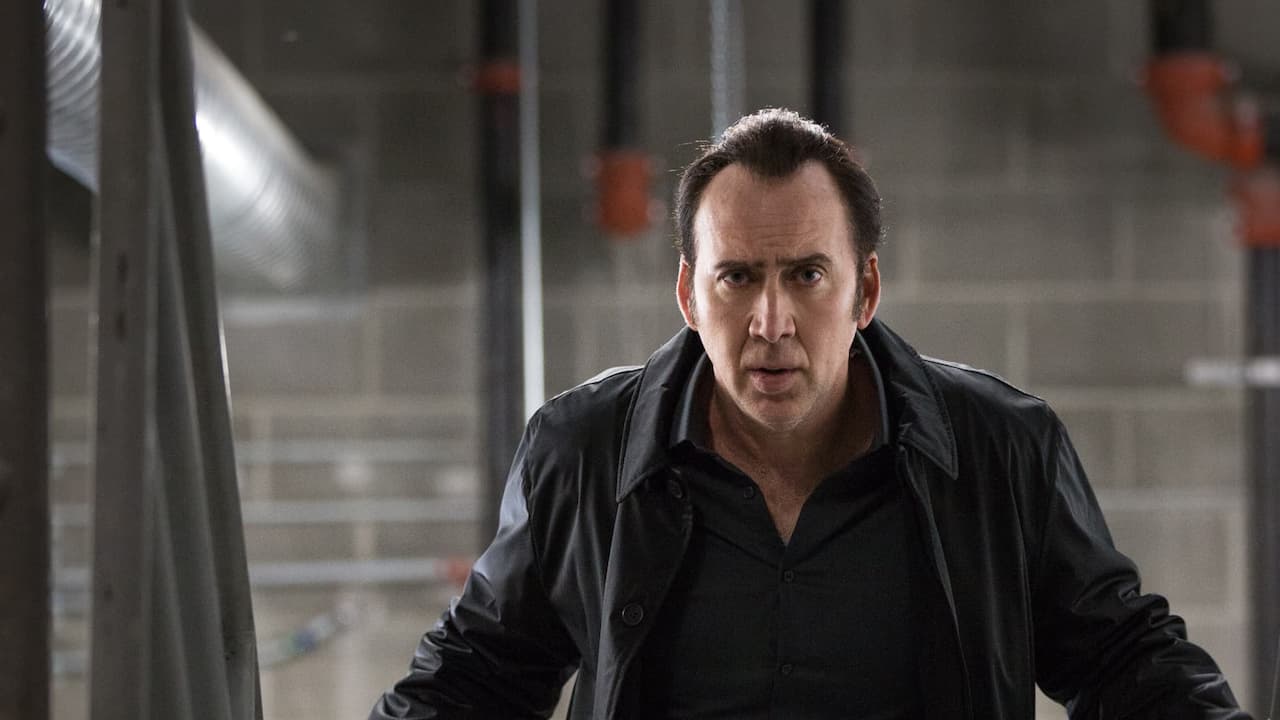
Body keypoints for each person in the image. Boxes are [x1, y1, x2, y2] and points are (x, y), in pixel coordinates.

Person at [370, 108, 1250, 719]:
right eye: (737, 277)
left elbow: (1122, 661)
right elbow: (476, 678)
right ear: (688, 294)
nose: (771, 322)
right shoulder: (583, 453)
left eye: (806, 275)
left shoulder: (1000, 449)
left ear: (865, 290)